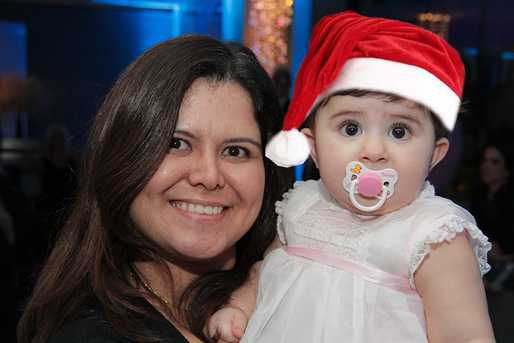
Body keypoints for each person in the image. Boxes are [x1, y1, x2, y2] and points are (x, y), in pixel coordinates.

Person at [209, 11, 495, 343]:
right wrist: (239, 308)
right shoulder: (302, 205)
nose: (373, 150)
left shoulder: (433, 237)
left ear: (435, 154)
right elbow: (266, 273)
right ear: (313, 147)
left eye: (399, 131)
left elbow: (466, 336)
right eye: (350, 128)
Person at [17, 34, 293, 343]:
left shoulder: (307, 293)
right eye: (176, 144)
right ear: (122, 158)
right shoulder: (90, 335)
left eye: (236, 151)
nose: (209, 175)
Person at [471, 136, 514, 292]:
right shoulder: (479, 195)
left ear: (506, 167)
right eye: (484, 160)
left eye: (495, 162)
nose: (486, 166)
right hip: (482, 260)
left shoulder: (509, 197)